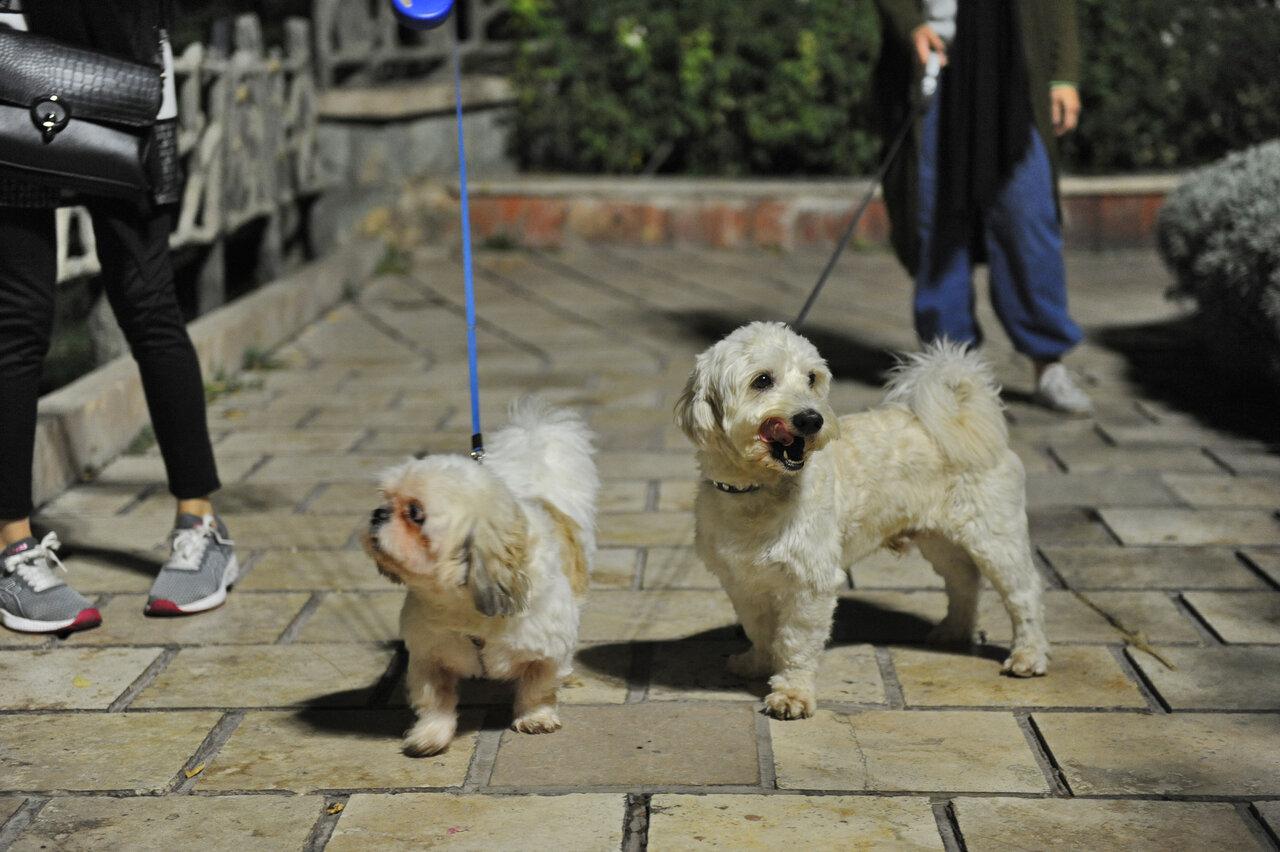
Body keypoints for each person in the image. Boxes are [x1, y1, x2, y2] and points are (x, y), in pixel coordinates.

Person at [0, 0, 237, 634]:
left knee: (148, 302)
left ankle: (200, 523)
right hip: (11, 69)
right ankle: (12, 547)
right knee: (18, 317)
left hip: (127, 77)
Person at [873, 0, 1093, 415]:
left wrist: (1064, 74)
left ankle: (1048, 362)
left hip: (1015, 75)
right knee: (938, 222)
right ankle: (951, 372)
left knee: (1029, 219)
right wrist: (911, 27)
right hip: (939, 67)